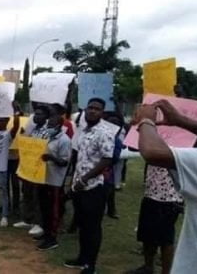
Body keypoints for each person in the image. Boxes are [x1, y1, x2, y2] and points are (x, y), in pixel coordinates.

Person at [133, 100, 197, 273]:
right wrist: (181, 120)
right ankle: (148, 266)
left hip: (169, 197)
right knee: (149, 234)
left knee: (166, 237)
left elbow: (153, 152)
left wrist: (146, 120)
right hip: (153, 193)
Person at [64, 98, 115, 274]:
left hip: (94, 187)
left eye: (97, 109)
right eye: (90, 108)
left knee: (93, 227)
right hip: (79, 187)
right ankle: (82, 258)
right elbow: (79, 158)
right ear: (85, 110)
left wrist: (85, 179)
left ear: (102, 112)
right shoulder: (84, 131)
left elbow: (107, 159)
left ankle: (90, 265)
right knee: (83, 225)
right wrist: (74, 181)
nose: (92, 111)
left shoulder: (105, 132)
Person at [13, 105, 50, 237]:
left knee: (37, 196)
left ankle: (38, 223)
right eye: (36, 114)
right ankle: (27, 219)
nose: (36, 116)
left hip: (39, 169)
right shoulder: (33, 129)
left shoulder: (48, 131)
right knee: (27, 193)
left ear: (46, 117)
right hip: (29, 167)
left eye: (40, 114)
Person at [36, 113, 71, 251]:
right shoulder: (46, 137)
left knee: (53, 210)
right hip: (43, 177)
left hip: (55, 180)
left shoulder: (64, 140)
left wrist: (51, 157)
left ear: (59, 125)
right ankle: (45, 232)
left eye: (51, 124)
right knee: (44, 208)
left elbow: (64, 161)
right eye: (48, 124)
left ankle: (52, 238)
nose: (48, 126)